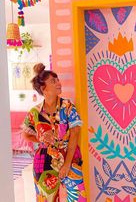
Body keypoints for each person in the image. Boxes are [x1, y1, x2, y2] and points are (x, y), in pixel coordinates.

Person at [22, 63, 87, 202]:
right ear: (43, 88)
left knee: (78, 199)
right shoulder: (35, 112)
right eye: (53, 81)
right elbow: (26, 134)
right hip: (43, 162)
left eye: (57, 79)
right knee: (46, 199)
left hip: (70, 158)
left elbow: (75, 135)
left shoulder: (68, 107)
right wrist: (41, 139)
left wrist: (67, 164)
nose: (58, 83)